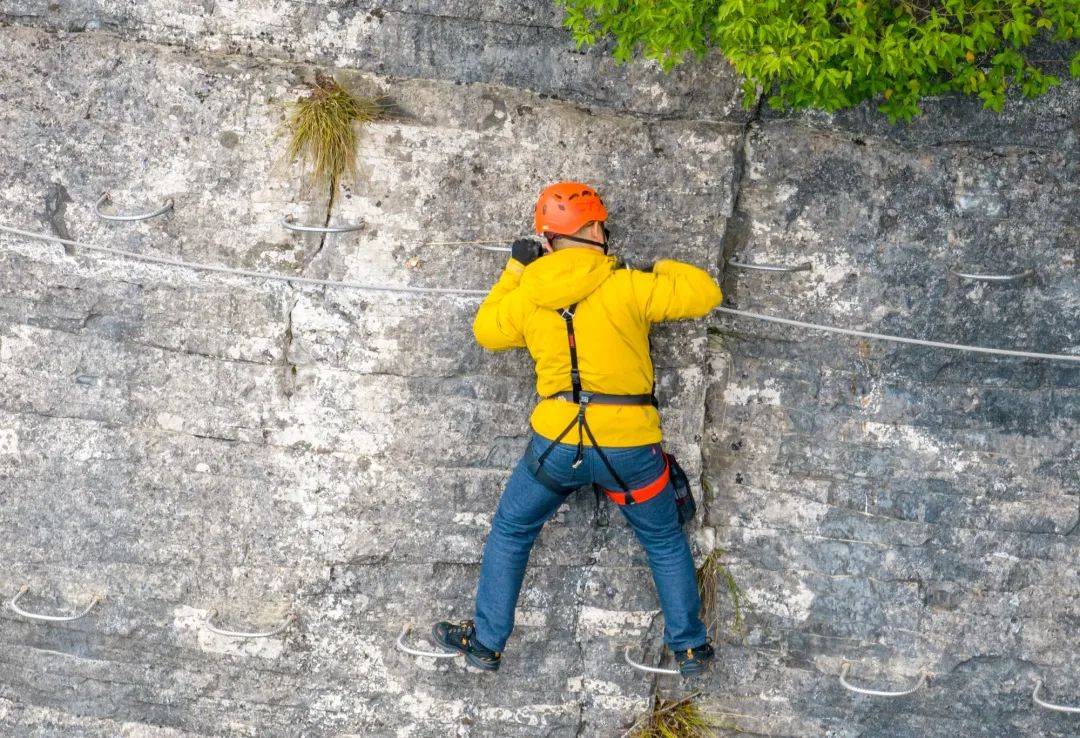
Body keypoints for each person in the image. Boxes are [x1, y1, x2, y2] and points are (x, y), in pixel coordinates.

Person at [432, 181, 722, 675]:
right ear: (592, 229)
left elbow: (486, 329)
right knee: (664, 539)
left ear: (547, 241)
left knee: (512, 529)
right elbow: (705, 292)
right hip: (629, 447)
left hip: (557, 444)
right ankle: (691, 648)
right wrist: (653, 268)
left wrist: (515, 270)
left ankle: (486, 642)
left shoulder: (528, 296)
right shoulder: (627, 286)